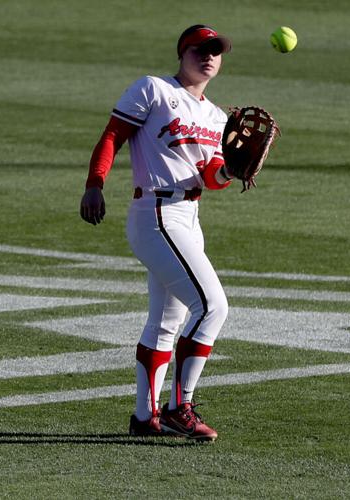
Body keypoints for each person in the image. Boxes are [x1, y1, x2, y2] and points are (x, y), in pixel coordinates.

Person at [79, 24, 235, 442]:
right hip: (156, 212)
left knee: (167, 322)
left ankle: (144, 416)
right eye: (200, 49)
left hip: (189, 217)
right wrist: (95, 183)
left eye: (215, 51)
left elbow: (210, 176)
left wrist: (233, 170)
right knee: (212, 307)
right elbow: (114, 134)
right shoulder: (154, 90)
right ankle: (178, 408)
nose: (208, 56)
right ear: (182, 53)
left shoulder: (217, 116)